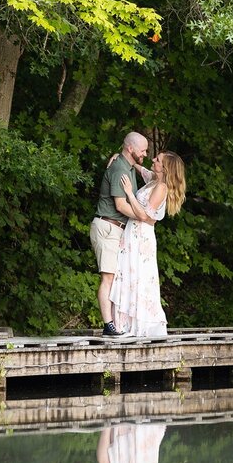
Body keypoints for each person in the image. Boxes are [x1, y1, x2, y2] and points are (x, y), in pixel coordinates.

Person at [109, 150, 187, 337]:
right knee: (127, 273)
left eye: (158, 160)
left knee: (138, 276)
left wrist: (129, 193)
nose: (153, 160)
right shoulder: (154, 179)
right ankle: (124, 323)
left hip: (141, 235)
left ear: (165, 168)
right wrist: (123, 158)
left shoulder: (161, 188)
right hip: (133, 232)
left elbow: (144, 215)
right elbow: (142, 169)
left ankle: (139, 325)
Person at [90, 132, 150, 337]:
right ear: (131, 149)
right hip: (107, 227)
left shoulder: (129, 167)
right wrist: (142, 217)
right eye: (143, 150)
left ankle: (115, 322)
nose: (146, 154)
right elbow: (120, 204)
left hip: (117, 230)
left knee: (115, 278)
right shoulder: (119, 169)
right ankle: (108, 326)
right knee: (108, 278)